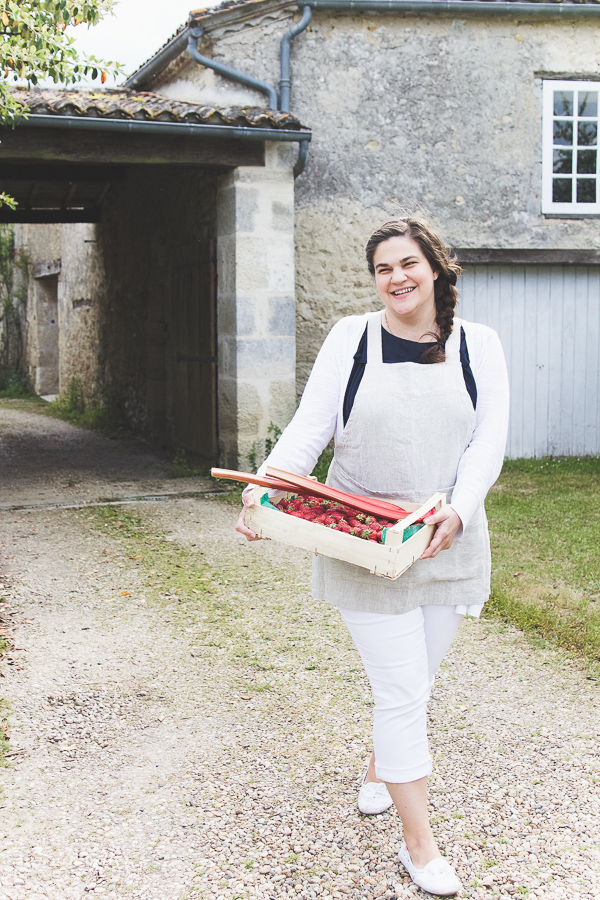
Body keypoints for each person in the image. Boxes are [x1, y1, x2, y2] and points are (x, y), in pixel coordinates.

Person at [236, 217, 509, 897]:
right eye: (383, 268)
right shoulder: (350, 339)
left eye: (409, 263)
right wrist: (263, 496)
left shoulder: (480, 345)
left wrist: (460, 506)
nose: (397, 278)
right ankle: (421, 849)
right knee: (402, 689)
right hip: (362, 539)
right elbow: (309, 428)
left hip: (447, 536)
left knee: (416, 682)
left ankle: (379, 767)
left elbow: (488, 441)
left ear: (437, 268)